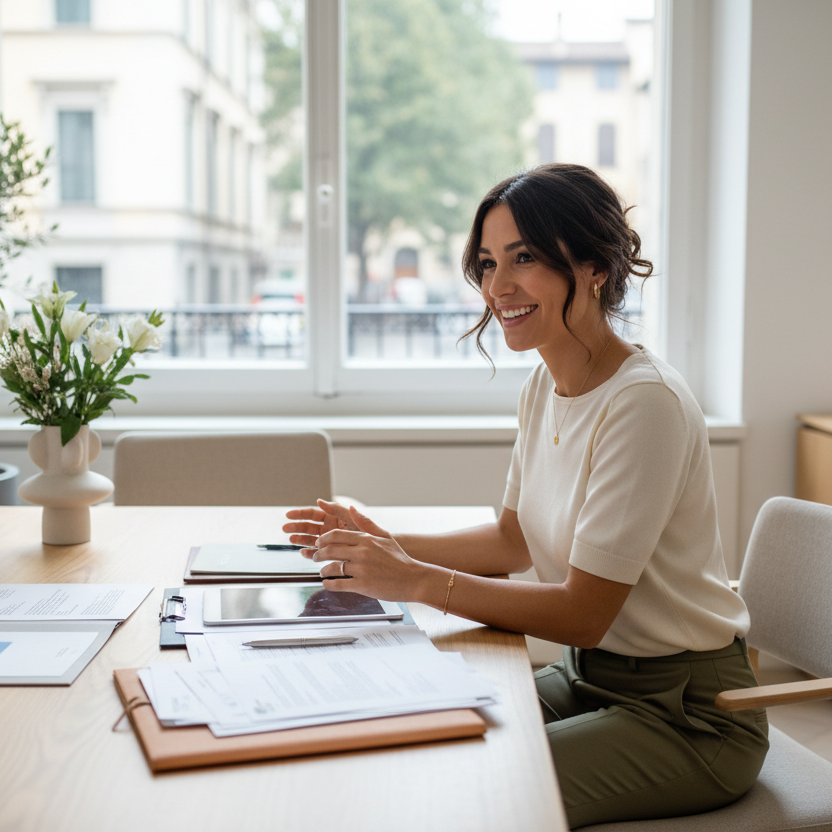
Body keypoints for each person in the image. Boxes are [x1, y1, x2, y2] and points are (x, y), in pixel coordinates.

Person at [283, 163, 768, 828]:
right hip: (589, 679)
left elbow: (582, 612)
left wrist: (412, 579)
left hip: (691, 716)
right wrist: (382, 546)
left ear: (595, 266)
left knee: (477, 790)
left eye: (525, 258)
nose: (496, 286)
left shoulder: (643, 403)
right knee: (409, 733)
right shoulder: (544, 385)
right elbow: (512, 541)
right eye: (486, 262)